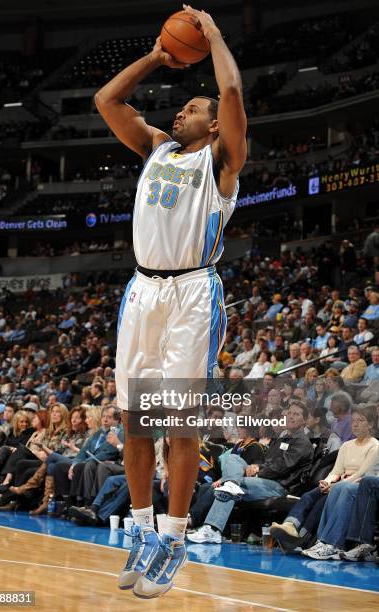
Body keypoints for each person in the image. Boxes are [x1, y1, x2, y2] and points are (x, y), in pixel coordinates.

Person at [95, 4, 247, 598]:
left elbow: (231, 88)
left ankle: (176, 536)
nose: (180, 111)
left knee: (180, 425)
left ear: (213, 126)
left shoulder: (221, 162)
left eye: (193, 109)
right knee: (136, 423)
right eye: (181, 106)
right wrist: (158, 56)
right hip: (142, 290)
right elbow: (108, 101)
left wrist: (211, 36)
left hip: (192, 292)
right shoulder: (156, 148)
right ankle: (141, 529)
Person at [187, 403, 314, 543]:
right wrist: (256, 466)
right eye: (289, 413)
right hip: (266, 479)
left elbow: (282, 467)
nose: (291, 416)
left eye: (296, 414)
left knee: (227, 486)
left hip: (280, 486)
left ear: (305, 420)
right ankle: (231, 484)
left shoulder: (302, 442)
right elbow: (268, 461)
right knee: (233, 458)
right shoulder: (282, 438)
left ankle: (212, 529)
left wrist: (258, 471)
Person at [270, 406, 379, 556]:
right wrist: (327, 482)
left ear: (371, 424)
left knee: (321, 503)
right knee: (309, 495)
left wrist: (335, 485)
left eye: (360, 421)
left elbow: (362, 473)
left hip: (355, 485)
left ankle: (303, 537)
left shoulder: (375, 446)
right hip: (339, 481)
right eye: (353, 421)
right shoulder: (347, 445)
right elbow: (336, 470)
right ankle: (290, 525)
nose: (355, 424)